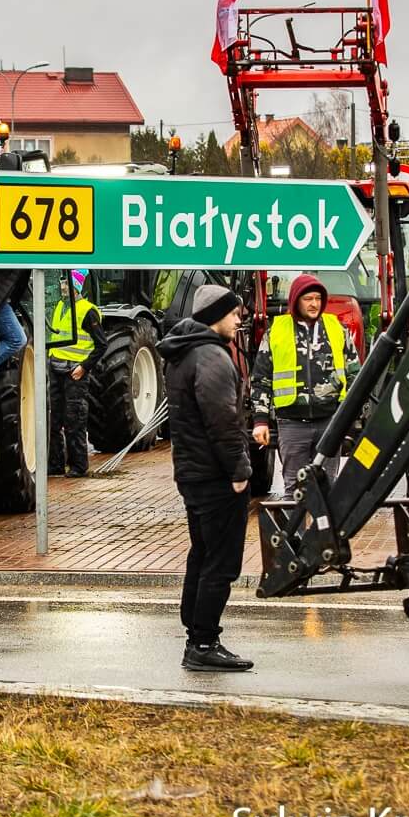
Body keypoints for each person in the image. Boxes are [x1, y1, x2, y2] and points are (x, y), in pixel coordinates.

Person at [159, 284, 254, 672]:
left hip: (191, 472)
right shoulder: (211, 356)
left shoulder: (182, 353)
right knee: (221, 562)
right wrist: (239, 470)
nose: (238, 320)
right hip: (216, 476)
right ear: (215, 315)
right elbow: (223, 422)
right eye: (233, 314)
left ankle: (196, 635)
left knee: (201, 554)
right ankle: (203, 643)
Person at [251, 273, 358, 497]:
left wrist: (350, 416)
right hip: (291, 423)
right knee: (294, 488)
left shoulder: (337, 329)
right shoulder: (276, 332)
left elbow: (355, 374)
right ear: (295, 301)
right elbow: (261, 379)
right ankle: (295, 522)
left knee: (327, 488)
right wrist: (260, 420)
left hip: (329, 421)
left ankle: (323, 522)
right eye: (308, 299)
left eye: (318, 299)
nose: (314, 304)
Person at [47, 269, 110, 477]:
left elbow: (101, 345)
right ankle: (56, 464)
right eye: (62, 283)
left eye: (66, 283)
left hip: (75, 372)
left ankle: (79, 466)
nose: (62, 287)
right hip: (56, 368)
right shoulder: (59, 306)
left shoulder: (87, 311)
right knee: (54, 420)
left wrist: (84, 367)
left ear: (76, 287)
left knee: (74, 419)